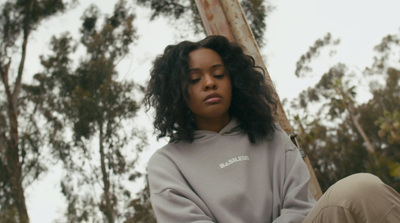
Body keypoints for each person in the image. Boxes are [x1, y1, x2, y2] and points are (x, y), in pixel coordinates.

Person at [144, 35, 400, 223]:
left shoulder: (271, 136)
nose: (209, 83)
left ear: (234, 81)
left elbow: (301, 207)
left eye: (218, 74)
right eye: (195, 79)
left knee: (362, 189)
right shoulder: (167, 164)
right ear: (176, 93)